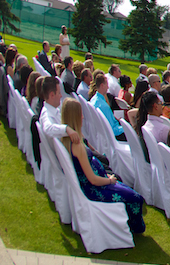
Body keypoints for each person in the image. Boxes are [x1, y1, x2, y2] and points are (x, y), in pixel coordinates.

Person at [60, 99, 146, 234]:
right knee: (136, 198)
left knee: (128, 189)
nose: (83, 117)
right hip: (96, 188)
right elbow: (92, 179)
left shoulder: (70, 139)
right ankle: (134, 228)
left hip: (100, 181)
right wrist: (109, 180)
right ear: (75, 117)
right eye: (80, 114)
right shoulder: (77, 146)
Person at [90, 73, 126, 142]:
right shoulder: (103, 105)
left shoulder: (93, 99)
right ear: (102, 85)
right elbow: (114, 130)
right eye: (107, 84)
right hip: (113, 136)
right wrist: (125, 128)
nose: (108, 87)